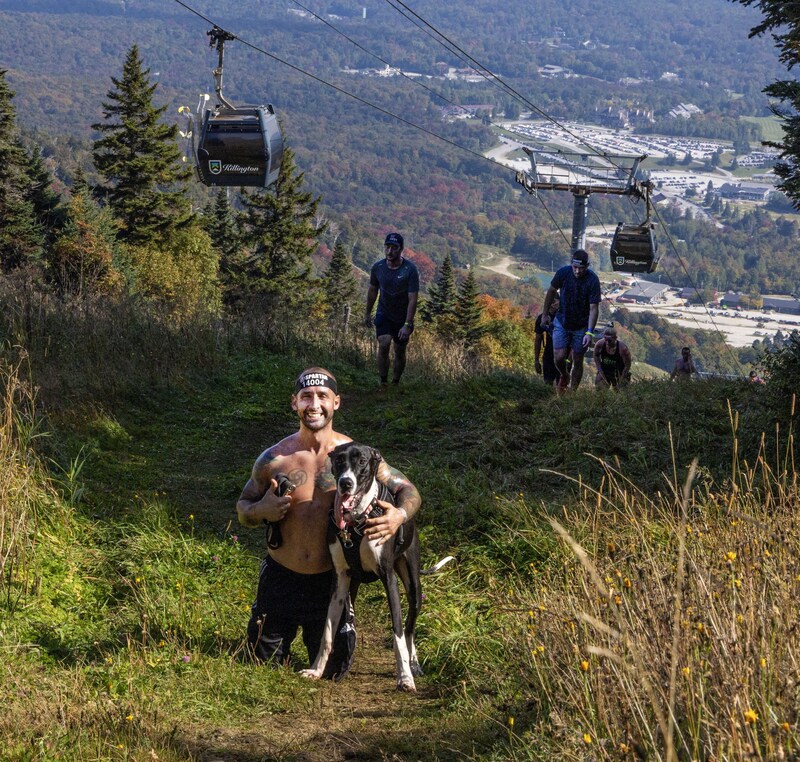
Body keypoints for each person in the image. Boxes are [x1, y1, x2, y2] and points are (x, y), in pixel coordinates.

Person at [236, 367, 421, 678]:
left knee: (335, 671)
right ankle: (274, 631)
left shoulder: (354, 456)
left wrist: (397, 516)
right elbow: (243, 508)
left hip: (328, 582)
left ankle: (335, 629)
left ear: (336, 402)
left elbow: (408, 489)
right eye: (306, 397)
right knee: (260, 662)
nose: (314, 404)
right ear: (294, 402)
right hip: (280, 577)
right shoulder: (274, 458)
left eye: (322, 396)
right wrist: (262, 509)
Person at [540, 249, 601, 391]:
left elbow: (594, 308)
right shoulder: (563, 273)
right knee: (559, 358)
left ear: (587, 266)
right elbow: (551, 291)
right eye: (575, 267)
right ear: (571, 264)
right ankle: (564, 374)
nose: (578, 271)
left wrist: (589, 332)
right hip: (562, 322)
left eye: (581, 268)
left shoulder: (592, 280)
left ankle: (573, 391)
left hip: (581, 326)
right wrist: (545, 314)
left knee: (578, 359)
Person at [364, 232, 419, 387]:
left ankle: (395, 382)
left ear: (401, 249)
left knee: (400, 350)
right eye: (387, 247)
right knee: (383, 343)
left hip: (402, 317)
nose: (390, 251)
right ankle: (383, 381)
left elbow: (413, 298)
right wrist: (367, 313)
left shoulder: (410, 270)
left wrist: (407, 324)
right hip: (384, 313)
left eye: (394, 248)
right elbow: (372, 291)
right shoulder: (378, 267)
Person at [534, 296, 560, 386]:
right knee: (547, 382)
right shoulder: (542, 318)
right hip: (549, 352)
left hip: (564, 352)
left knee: (561, 383)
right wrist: (536, 360)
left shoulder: (565, 317)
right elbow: (538, 339)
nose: (551, 305)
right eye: (549, 302)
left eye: (554, 302)